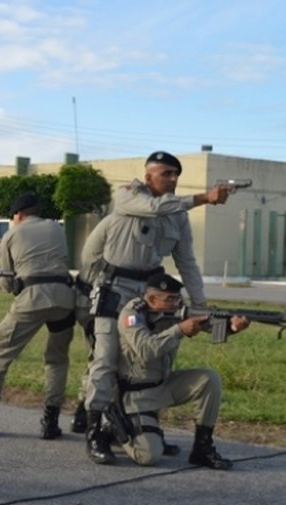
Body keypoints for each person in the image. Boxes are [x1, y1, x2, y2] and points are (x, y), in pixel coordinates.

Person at [82, 151, 232, 465]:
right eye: (166, 173)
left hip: (150, 296)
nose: (173, 180)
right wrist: (204, 197)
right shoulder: (127, 196)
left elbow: (186, 261)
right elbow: (151, 208)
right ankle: (95, 430)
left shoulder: (178, 215)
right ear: (148, 175)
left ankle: (141, 423)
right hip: (115, 289)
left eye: (176, 174)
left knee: (152, 359)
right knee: (106, 358)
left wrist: (201, 307)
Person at [0, 192, 76, 439]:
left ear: (18, 215)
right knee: (57, 360)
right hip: (65, 299)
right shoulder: (57, 229)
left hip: (31, 300)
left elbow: (6, 283)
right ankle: (50, 422)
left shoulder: (11, 235)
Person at [114, 273, 249, 469]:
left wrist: (232, 326)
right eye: (170, 299)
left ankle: (202, 448)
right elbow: (146, 350)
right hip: (137, 396)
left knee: (209, 379)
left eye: (178, 298)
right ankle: (113, 426)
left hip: (163, 385)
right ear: (152, 299)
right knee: (149, 456)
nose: (177, 304)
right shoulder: (132, 315)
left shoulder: (175, 311)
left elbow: (209, 324)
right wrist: (178, 330)